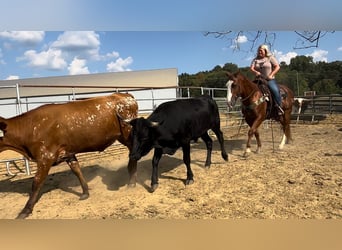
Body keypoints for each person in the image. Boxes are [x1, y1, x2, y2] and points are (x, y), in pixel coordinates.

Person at [250, 44, 284, 115]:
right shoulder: (255, 59)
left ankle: (278, 106)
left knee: (274, 90)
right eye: (259, 51)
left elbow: (277, 67)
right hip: (258, 79)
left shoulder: (270, 58)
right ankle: (249, 108)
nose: (259, 52)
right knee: (249, 90)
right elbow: (251, 68)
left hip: (269, 79)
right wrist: (256, 72)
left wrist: (271, 75)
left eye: (261, 51)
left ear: (265, 51)